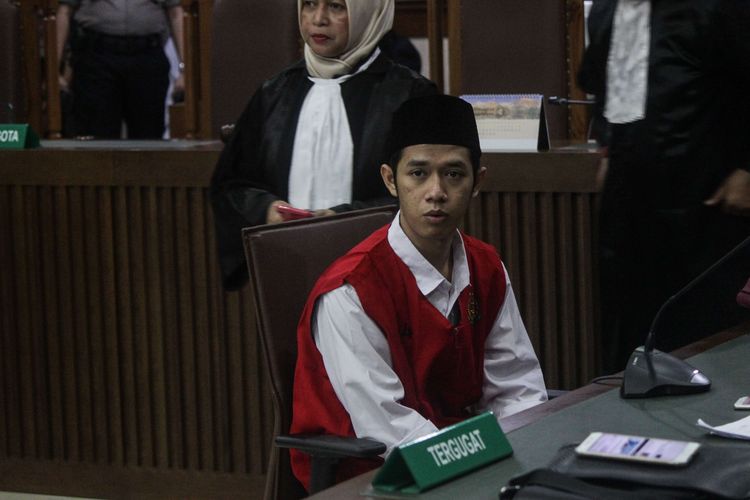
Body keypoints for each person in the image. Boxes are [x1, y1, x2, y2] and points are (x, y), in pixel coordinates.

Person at [289, 95, 547, 490]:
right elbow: (389, 429)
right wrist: (483, 466)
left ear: (479, 181)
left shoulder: (485, 267)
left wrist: (523, 456)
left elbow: (517, 386)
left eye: (454, 175)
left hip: (466, 463)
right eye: (418, 173)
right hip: (375, 478)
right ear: (391, 180)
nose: (436, 192)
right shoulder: (352, 290)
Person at [210, 0, 437, 290]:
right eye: (309, 5)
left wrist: (342, 220)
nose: (318, 19)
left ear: (368, 13)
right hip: (289, 273)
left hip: (383, 278)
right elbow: (231, 185)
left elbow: (426, 192)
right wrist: (266, 209)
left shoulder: (409, 95)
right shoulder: (275, 93)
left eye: (335, 6)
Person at [579, 0, 750, 374]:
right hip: (626, 206)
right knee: (627, 330)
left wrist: (745, 169)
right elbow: (601, 86)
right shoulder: (605, 10)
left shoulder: (715, 8)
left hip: (703, 200)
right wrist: (608, 148)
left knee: (704, 330)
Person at [56, 0, 185, 139]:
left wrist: (185, 70)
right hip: (97, 56)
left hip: (146, 56)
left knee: (148, 137)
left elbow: (176, 13)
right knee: (97, 138)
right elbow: (64, 11)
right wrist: (54, 69)